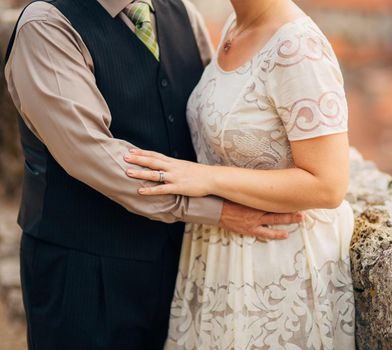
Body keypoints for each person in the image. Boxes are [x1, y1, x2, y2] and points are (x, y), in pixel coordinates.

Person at [4, 0, 302, 349]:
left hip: (180, 263)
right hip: (83, 272)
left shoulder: (183, 13)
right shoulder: (46, 24)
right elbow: (93, 156)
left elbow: (209, 114)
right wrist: (217, 211)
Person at [124, 0, 357, 348]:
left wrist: (208, 178)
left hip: (276, 265)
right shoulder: (236, 25)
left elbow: (329, 184)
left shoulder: (297, 47)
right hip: (218, 258)